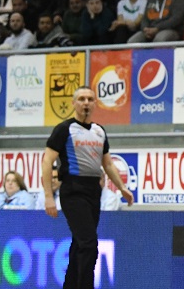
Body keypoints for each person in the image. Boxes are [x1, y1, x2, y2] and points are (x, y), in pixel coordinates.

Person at [42, 86, 133, 289]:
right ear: (74, 103)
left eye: (90, 99)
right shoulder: (64, 129)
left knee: (79, 244)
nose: (86, 103)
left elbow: (107, 164)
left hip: (93, 190)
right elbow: (47, 161)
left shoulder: (100, 131)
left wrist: (122, 187)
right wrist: (49, 196)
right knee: (89, 243)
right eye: (81, 98)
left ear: (95, 104)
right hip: (73, 189)